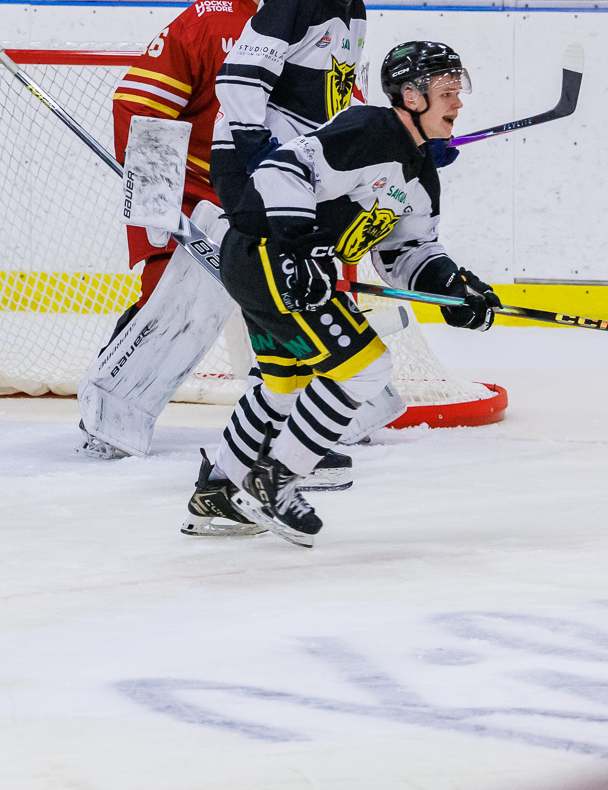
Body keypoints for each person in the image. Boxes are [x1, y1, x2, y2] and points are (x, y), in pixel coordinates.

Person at [184, 40, 503, 546]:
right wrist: (300, 245)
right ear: (412, 96)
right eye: (447, 91)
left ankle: (219, 490)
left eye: (457, 90)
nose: (458, 102)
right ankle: (275, 482)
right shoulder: (370, 129)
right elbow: (281, 169)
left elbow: (406, 252)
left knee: (282, 385)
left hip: (272, 266)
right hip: (270, 256)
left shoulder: (420, 171)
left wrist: (453, 287)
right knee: (366, 367)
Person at [73, 0, 315, 461]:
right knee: (167, 305)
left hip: (279, 198)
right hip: (197, 197)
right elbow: (140, 105)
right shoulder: (210, 21)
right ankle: (109, 413)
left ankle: (310, 412)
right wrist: (160, 199)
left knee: (295, 302)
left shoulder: (317, 27)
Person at [211, 0, 379, 214]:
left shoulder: (356, 10)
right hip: (250, 156)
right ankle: (222, 228)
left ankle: (219, 228)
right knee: (280, 243)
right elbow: (239, 78)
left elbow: (336, 97)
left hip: (299, 160)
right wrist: (259, 151)